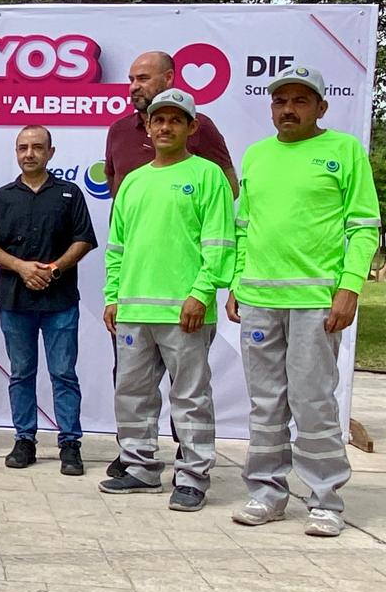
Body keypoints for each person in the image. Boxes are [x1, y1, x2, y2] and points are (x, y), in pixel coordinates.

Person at [227, 65, 380, 537]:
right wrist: (235, 281)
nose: (288, 109)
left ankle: (326, 498)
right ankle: (267, 494)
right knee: (266, 403)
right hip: (258, 299)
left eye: (299, 101)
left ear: (320, 107)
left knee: (313, 401)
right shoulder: (256, 156)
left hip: (316, 301)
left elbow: (363, 226)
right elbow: (243, 228)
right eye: (280, 101)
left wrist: (350, 285)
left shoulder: (343, 151)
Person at [101, 49, 239, 479]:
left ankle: (194, 473)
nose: (164, 126)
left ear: (191, 127)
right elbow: (118, 245)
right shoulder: (133, 181)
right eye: (157, 120)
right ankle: (139, 467)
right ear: (147, 126)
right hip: (134, 308)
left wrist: (201, 292)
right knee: (133, 393)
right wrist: (112, 296)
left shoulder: (207, 175)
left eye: (174, 120)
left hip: (185, 309)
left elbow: (220, 239)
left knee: (191, 397)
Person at [0, 125, 97, 475]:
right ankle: (24, 439)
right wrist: (21, 267)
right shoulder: (1, 197)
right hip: (15, 302)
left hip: (60, 300)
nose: (29, 153)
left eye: (37, 147)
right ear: (16, 153)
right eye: (23, 148)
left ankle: (70, 444)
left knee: (63, 373)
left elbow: (84, 239)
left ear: (51, 152)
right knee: (21, 373)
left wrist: (54, 269)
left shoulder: (70, 194)